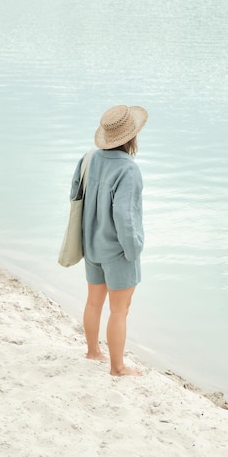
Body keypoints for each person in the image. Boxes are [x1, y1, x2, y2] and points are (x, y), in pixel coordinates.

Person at [70, 104, 148, 376]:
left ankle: (93, 351)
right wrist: (134, 248)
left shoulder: (89, 158)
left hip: (91, 243)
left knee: (94, 301)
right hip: (118, 251)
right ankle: (117, 367)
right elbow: (125, 216)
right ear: (132, 136)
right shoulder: (128, 170)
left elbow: (74, 197)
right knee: (120, 310)